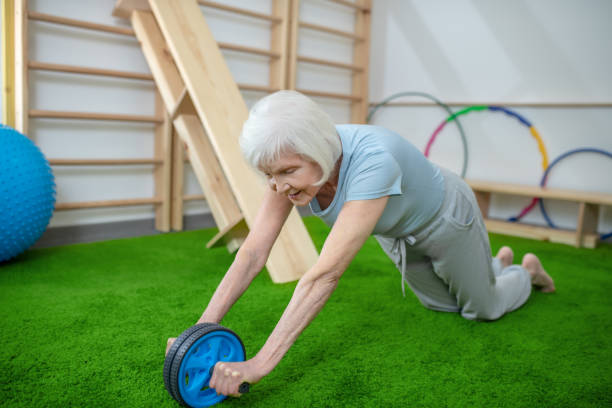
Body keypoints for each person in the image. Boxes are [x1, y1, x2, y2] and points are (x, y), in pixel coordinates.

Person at [167, 90, 555, 397]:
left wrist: (260, 364)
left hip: (447, 220)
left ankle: (523, 271)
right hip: (396, 233)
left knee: (480, 310)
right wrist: (198, 333)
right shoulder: (286, 170)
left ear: (320, 149)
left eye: (287, 172)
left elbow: (324, 275)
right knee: (442, 305)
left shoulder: (375, 161)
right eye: (269, 174)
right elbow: (253, 253)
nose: (278, 185)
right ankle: (494, 265)